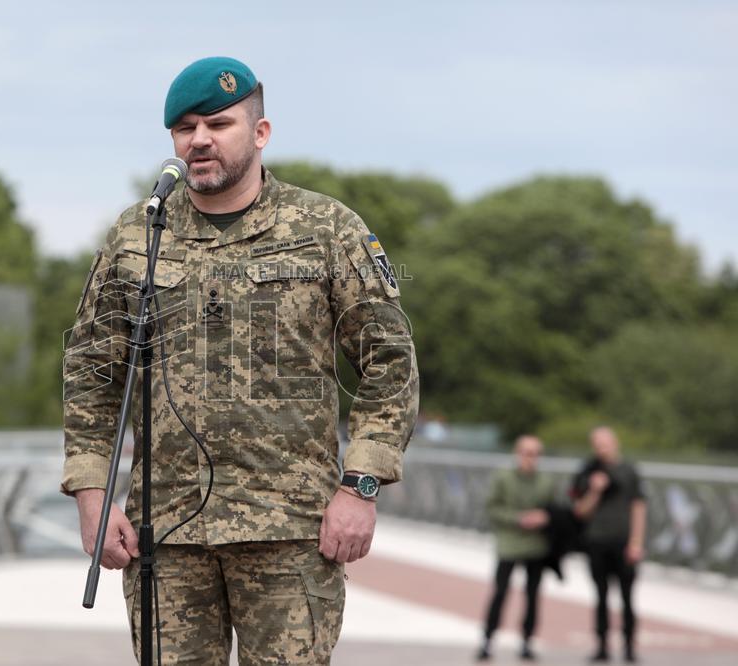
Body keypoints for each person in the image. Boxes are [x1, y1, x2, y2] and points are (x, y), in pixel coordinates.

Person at [61, 56, 419, 665]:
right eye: (185, 128)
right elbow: (92, 371)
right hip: (166, 534)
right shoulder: (136, 238)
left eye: (219, 124)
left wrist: (361, 486)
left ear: (260, 133)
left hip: (291, 532)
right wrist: (91, 493)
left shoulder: (325, 229)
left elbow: (388, 361)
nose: (199, 139)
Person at [571, 427, 647, 663]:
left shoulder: (629, 471)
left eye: (606, 443)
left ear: (616, 442)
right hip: (596, 540)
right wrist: (594, 490)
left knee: (627, 597)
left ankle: (629, 647)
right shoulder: (587, 471)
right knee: (601, 596)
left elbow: (639, 507)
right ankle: (602, 646)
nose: (602, 448)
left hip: (623, 541)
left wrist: (636, 541)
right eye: (598, 444)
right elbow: (579, 512)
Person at [477, 435, 555, 662]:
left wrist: (543, 517)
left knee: (532, 595)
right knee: (500, 593)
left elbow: (554, 509)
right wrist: (518, 519)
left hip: (536, 546)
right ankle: (488, 640)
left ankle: (527, 641)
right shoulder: (503, 478)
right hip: (509, 543)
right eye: (526, 453)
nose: (530, 459)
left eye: (535, 454)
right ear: (517, 453)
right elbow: (492, 508)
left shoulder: (546, 481)